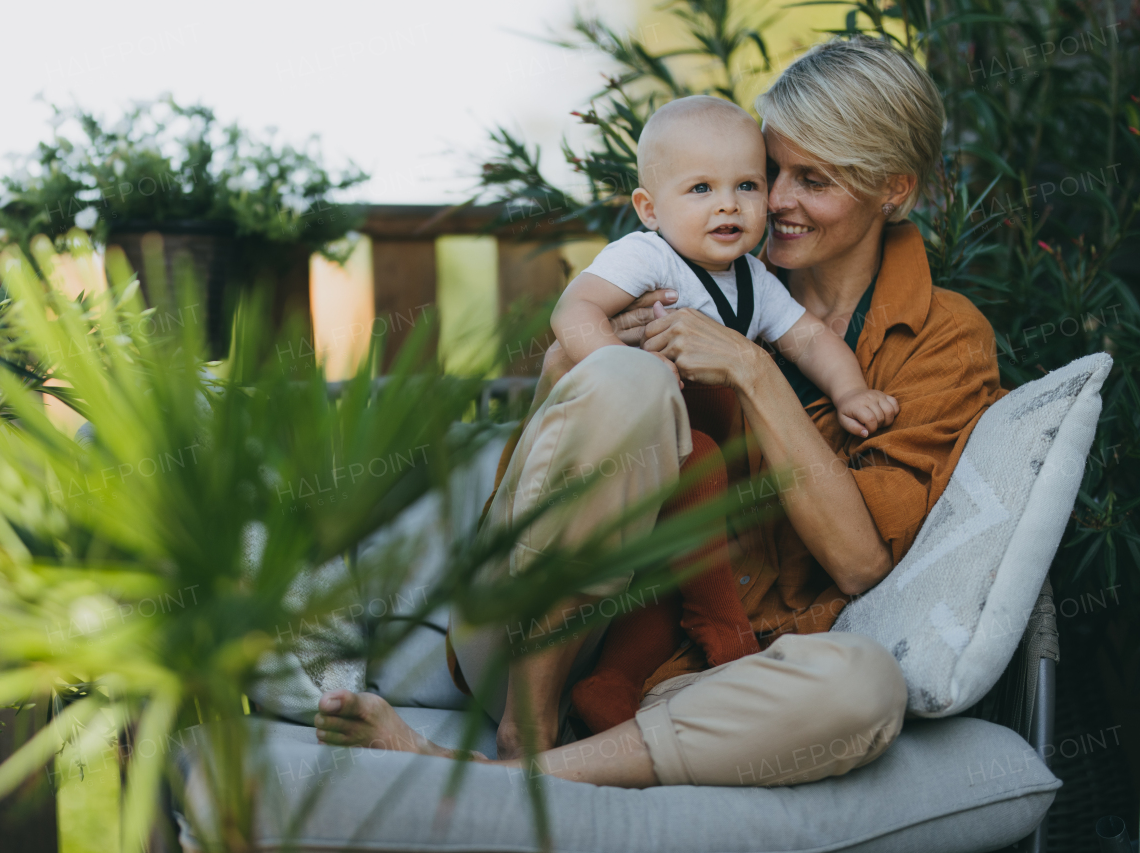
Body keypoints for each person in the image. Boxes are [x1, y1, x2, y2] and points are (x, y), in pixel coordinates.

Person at [314, 35, 1004, 789]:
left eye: (812, 180)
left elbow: (859, 561)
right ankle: (527, 725)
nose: (770, 202)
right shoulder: (683, 261)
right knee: (624, 380)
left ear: (893, 190)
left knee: (863, 689)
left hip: (692, 663)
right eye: (773, 172)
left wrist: (748, 368)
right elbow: (559, 400)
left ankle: (513, 781)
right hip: (537, 616)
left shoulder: (943, 338)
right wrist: (608, 361)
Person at [549, 94, 899, 731]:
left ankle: (612, 684)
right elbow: (574, 312)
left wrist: (850, 393)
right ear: (650, 209)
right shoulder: (646, 258)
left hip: (683, 504)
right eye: (702, 188)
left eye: (747, 186)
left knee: (664, 589)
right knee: (701, 464)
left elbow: (812, 340)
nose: (729, 204)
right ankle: (724, 630)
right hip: (635, 453)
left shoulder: (753, 281)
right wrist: (620, 372)